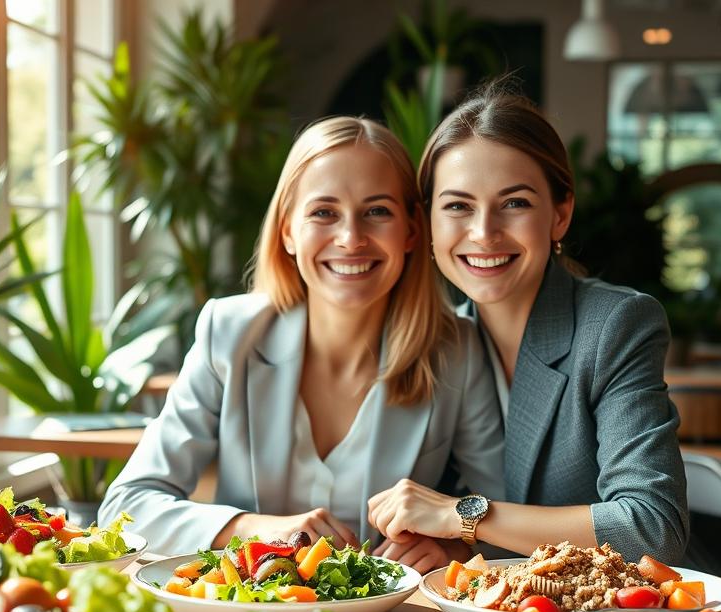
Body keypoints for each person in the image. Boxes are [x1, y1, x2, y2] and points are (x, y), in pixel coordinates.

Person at [99, 116, 504, 571]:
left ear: (411, 229)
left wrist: (456, 547)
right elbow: (126, 507)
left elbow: (503, 513)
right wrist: (256, 529)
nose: (351, 238)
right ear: (288, 230)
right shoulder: (228, 332)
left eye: (377, 211)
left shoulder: (458, 350)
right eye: (323, 213)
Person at [367, 83, 689, 565]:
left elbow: (652, 527)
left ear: (560, 215)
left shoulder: (615, 325)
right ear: (428, 224)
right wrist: (454, 543)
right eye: (457, 205)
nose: (483, 232)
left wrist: (463, 517)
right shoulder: (439, 341)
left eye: (514, 203)